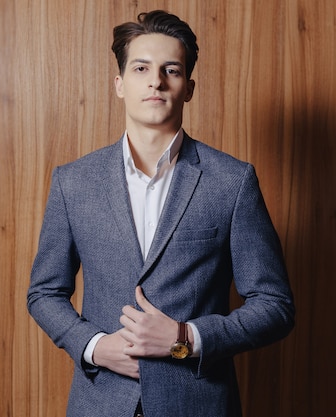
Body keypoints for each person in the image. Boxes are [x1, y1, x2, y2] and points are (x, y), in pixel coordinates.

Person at [27, 10, 295, 417]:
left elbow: (274, 305)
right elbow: (44, 292)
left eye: (171, 69)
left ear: (188, 87)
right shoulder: (74, 182)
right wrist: (96, 346)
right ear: (120, 84)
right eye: (141, 68)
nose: (156, 81)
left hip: (198, 404)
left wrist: (184, 337)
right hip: (101, 404)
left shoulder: (232, 181)